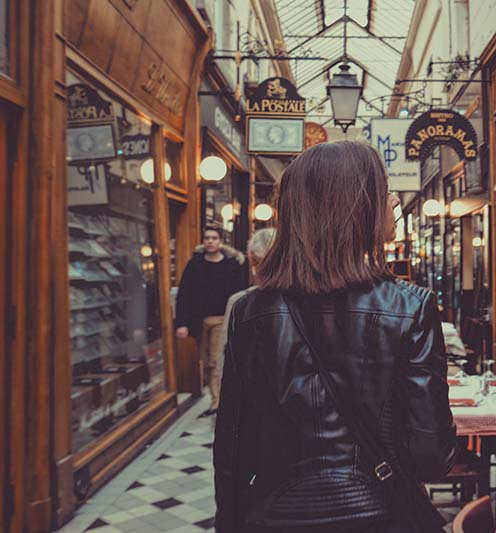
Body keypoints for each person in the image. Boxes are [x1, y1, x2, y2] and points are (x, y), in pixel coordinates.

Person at [214, 141, 456, 533]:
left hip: (276, 516)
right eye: (383, 190)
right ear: (356, 209)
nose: (393, 200)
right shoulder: (411, 307)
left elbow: (233, 448)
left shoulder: (249, 311)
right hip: (382, 517)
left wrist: (230, 523)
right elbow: (432, 457)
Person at [175, 225, 247, 416]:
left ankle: (217, 402)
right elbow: (184, 294)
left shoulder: (232, 265)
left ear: (221, 241)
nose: (210, 241)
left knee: (216, 360)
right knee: (206, 362)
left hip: (221, 320)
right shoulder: (194, 265)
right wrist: (181, 323)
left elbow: (241, 295)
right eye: (207, 238)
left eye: (214, 238)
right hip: (200, 321)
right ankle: (217, 397)